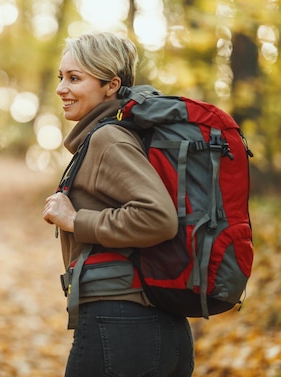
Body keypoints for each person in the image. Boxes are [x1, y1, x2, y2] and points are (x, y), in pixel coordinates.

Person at [42, 32, 194, 377]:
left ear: (111, 85)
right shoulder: (119, 134)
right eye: (61, 77)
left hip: (123, 326)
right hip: (152, 327)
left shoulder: (108, 139)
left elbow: (158, 218)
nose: (61, 88)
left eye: (74, 78)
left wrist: (76, 220)